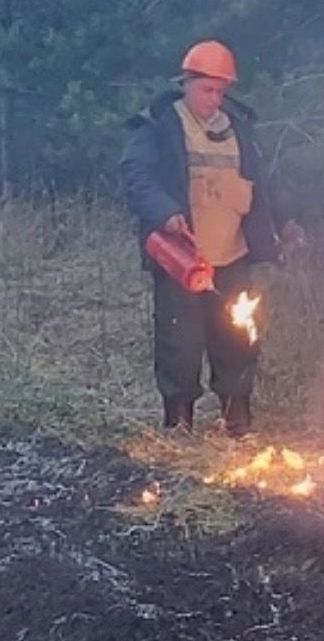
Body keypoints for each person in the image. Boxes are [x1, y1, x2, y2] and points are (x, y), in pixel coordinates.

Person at [118, 39, 297, 436]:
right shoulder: (159, 125)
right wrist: (165, 213)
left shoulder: (239, 129)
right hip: (183, 259)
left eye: (221, 90)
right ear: (187, 83)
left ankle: (236, 417)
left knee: (236, 336)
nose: (214, 99)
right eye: (207, 90)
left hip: (233, 255)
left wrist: (284, 222)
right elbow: (135, 176)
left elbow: (264, 185)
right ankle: (178, 423)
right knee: (179, 340)